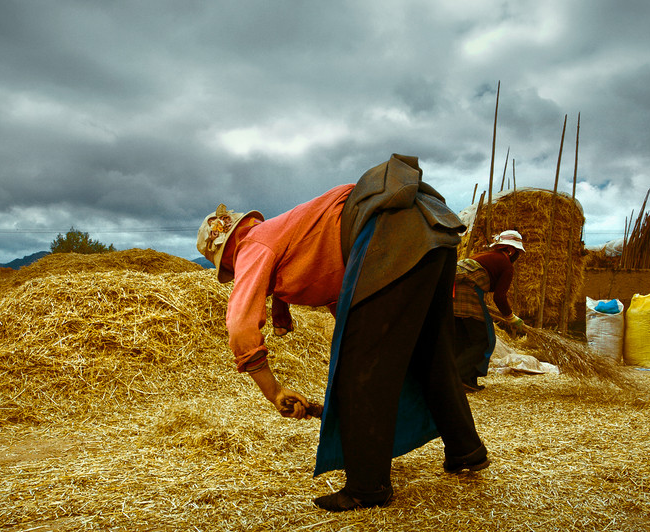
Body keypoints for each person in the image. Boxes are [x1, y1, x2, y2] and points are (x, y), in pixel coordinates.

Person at [197, 154, 489, 513]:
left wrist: (273, 391)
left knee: (361, 370)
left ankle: (368, 486)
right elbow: (351, 299)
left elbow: (240, 325)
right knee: (430, 352)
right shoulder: (293, 235)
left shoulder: (253, 244)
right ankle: (466, 450)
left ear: (226, 255)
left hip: (390, 231)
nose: (233, 273)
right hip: (432, 231)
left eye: (227, 268)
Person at [452, 230, 525, 392]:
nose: (517, 256)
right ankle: (458, 377)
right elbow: (500, 296)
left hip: (451, 291)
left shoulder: (483, 256)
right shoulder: (505, 264)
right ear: (511, 250)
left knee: (463, 339)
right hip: (467, 291)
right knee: (484, 340)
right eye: (518, 252)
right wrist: (511, 318)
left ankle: (467, 381)